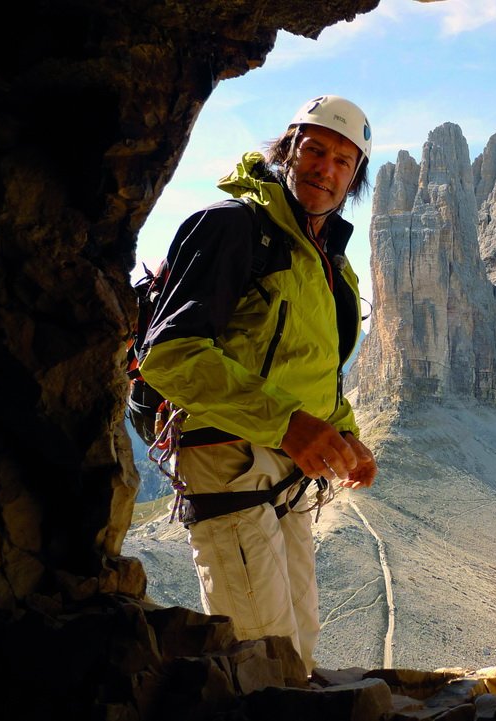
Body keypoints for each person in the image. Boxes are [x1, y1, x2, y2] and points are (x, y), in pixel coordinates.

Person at [137, 95, 378, 675]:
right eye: (315, 149)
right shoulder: (232, 227)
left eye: (344, 161)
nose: (325, 168)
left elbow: (311, 367)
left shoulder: (327, 259)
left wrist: (346, 436)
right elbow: (170, 356)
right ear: (288, 150)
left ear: (356, 178)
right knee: (261, 651)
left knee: (298, 641)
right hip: (230, 462)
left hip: (289, 471)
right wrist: (292, 427)